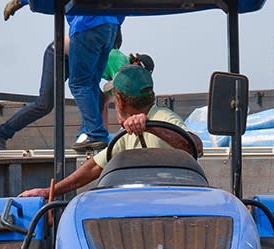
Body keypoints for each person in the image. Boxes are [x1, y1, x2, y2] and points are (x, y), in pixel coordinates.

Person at [0, 0, 125, 152]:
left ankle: (93, 132)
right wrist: (114, 24)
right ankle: (90, 132)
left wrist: (21, 0)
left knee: (78, 84)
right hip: (108, 28)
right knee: (87, 86)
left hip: (84, 30)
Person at [20, 64, 202, 198]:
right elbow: (93, 167)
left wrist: (150, 126)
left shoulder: (162, 117)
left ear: (120, 102)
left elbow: (195, 146)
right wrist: (48, 192)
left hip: (172, 203)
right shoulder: (126, 135)